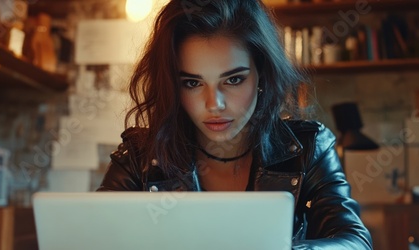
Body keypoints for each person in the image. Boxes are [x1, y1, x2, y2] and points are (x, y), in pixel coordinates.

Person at [97, 0, 372, 249]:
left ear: (262, 75)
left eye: (233, 80)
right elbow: (91, 236)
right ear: (172, 87)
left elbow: (354, 241)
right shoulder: (140, 155)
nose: (214, 103)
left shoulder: (308, 149)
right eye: (192, 83)